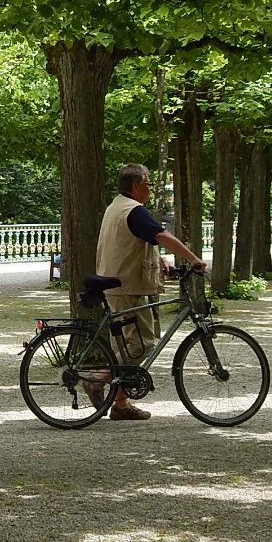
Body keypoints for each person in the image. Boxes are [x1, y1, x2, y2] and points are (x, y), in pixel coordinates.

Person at [93, 163, 207, 421]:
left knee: (125, 345)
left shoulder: (117, 206)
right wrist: (193, 259)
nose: (150, 189)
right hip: (127, 286)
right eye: (148, 184)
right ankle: (98, 378)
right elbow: (162, 235)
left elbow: (135, 241)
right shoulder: (134, 210)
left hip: (118, 282)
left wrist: (161, 261)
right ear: (135, 185)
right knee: (141, 346)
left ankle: (120, 406)